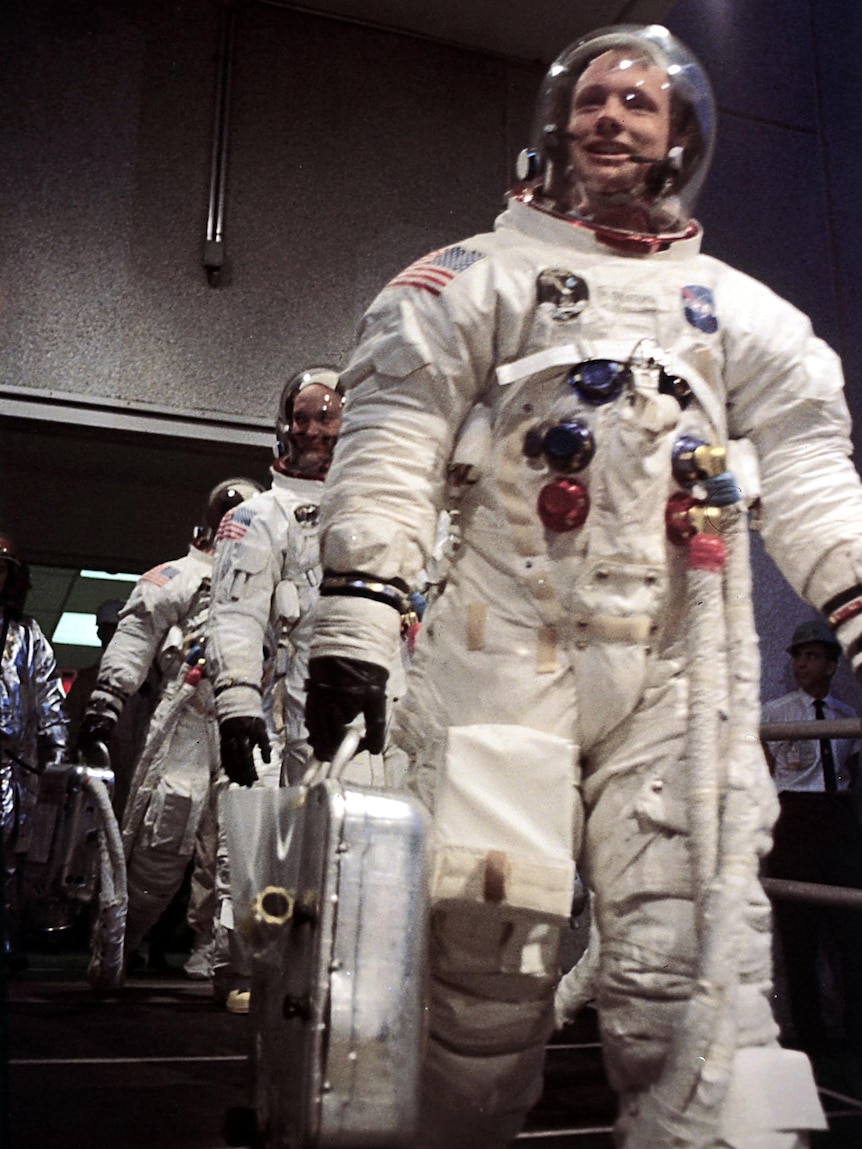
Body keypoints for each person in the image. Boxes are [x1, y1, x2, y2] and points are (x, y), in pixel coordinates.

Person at [300, 22, 862, 1148]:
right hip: (501, 644)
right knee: (482, 960)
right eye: (594, 99)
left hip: (675, 663)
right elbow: (395, 437)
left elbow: (805, 465)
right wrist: (357, 611)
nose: (611, 115)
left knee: (693, 965)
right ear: (558, 126)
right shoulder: (472, 277)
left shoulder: (736, 313)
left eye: (638, 104)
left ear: (678, 138)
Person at [77, 478, 264, 978]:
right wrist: (107, 698)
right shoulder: (176, 576)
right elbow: (137, 630)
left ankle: (221, 957)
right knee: (165, 834)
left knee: (239, 843)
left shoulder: (272, 577)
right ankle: (120, 941)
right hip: (187, 714)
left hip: (249, 720)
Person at [762, 619, 862, 1054]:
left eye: (812, 656)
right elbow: (764, 773)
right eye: (799, 656)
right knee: (798, 940)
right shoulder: (774, 714)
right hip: (794, 822)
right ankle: (811, 1044)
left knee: (850, 935)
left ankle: (855, 1038)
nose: (803, 664)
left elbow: (850, 777)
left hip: (837, 822)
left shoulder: (846, 718)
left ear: (831, 665)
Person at [0, 533, 67, 967]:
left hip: (11, 767)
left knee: (8, 865)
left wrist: (57, 759)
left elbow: (48, 700)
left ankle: (7, 941)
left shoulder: (27, 637)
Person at [63, 598, 158, 820]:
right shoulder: (86, 682)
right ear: (100, 634)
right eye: (109, 630)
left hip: (139, 780)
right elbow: (68, 733)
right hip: (97, 782)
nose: (115, 637)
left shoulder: (152, 682)